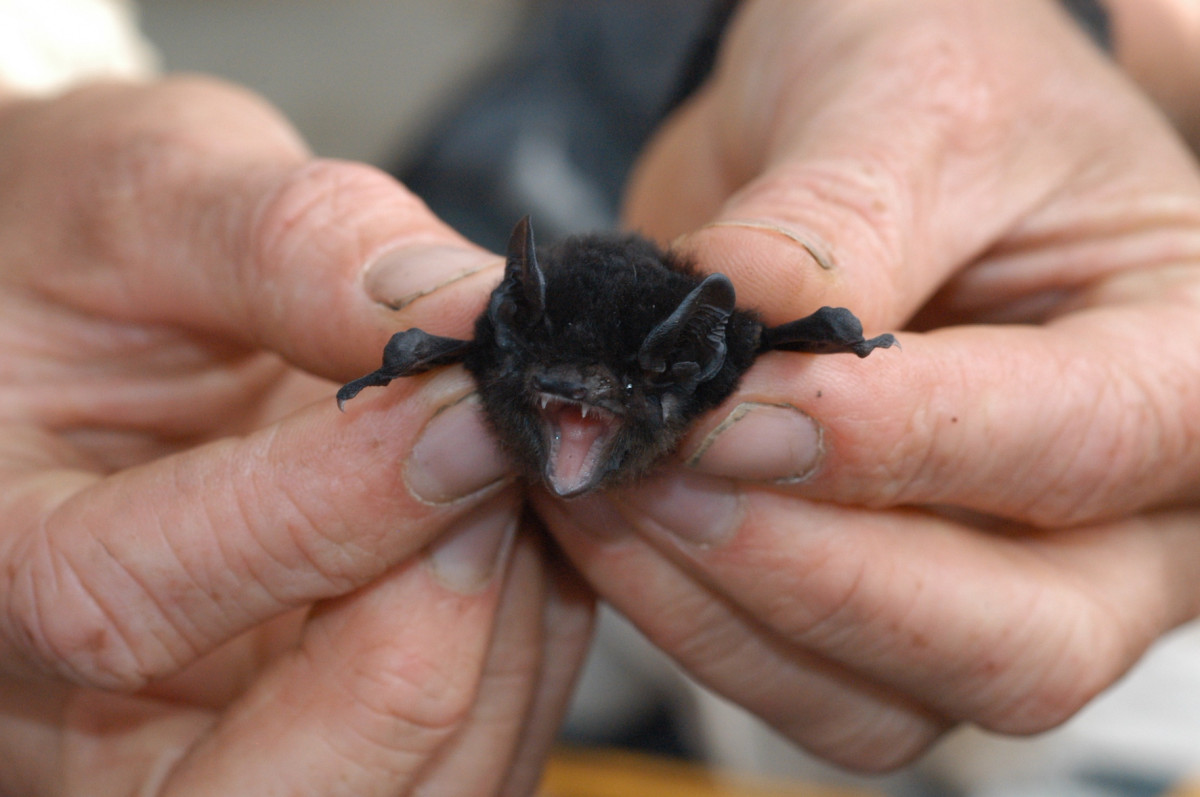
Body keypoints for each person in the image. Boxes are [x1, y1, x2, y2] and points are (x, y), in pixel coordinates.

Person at [0, 0, 1198, 793]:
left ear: (680, 384)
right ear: (508, 368)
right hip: (553, 207)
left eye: (592, 407)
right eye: (556, 401)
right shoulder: (502, 346)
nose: (571, 422)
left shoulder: (695, 364)